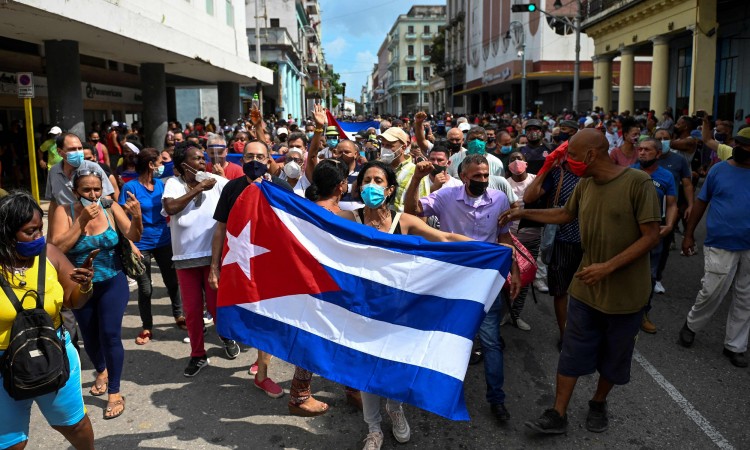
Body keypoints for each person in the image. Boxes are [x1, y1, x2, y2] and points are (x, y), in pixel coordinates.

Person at [501, 129, 660, 435]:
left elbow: (651, 235)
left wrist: (608, 267)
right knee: (573, 351)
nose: (569, 161)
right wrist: (522, 212)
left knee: (615, 357)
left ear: (590, 155)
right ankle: (558, 413)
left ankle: (598, 402)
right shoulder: (586, 184)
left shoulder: (637, 183)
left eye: (572, 156)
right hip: (586, 289)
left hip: (626, 295)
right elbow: (564, 214)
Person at [338, 160, 476, 450]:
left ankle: (395, 409)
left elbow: (446, 238)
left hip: (401, 309)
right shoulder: (350, 218)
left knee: (395, 364)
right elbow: (314, 226)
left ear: (389, 189)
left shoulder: (405, 221)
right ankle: (373, 429)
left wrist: (489, 249)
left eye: (378, 181)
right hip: (364, 307)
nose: (371, 186)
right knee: (367, 370)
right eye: (366, 180)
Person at [404, 154, 520, 425]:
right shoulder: (446, 196)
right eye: (476, 176)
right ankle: (433, 391)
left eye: (485, 175)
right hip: (451, 279)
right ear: (463, 176)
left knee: (491, 341)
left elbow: (504, 237)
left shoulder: (499, 199)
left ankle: (497, 399)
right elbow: (413, 211)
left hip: (486, 280)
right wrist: (418, 179)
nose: (481, 180)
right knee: (441, 336)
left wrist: (513, 269)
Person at [0, 191, 96, 448]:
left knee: (75, 425)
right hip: (3, 365)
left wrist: (85, 284)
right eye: (29, 231)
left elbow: (73, 299)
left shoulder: (50, 254)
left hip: (53, 355)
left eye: (39, 229)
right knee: (10, 443)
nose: (38, 237)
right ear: (6, 233)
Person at [48, 169, 143, 420]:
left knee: (110, 334)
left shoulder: (110, 207)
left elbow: (133, 235)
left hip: (113, 280)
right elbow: (56, 248)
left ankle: (114, 392)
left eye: (97, 189)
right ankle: (101, 369)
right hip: (79, 285)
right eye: (87, 190)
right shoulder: (63, 210)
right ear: (75, 191)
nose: (93, 195)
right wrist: (80, 222)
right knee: (89, 336)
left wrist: (138, 217)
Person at [210, 140, 292, 398]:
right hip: (239, 263)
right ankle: (257, 353)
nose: (254, 160)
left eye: (260, 156)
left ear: (269, 160)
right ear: (241, 159)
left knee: (266, 316)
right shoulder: (231, 188)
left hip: (271, 264)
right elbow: (220, 228)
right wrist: (214, 267)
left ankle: (262, 373)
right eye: (249, 156)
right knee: (244, 313)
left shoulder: (279, 187)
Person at [161, 145, 240, 377]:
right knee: (193, 311)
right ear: (183, 164)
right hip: (185, 260)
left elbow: (240, 192)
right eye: (195, 159)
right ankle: (197, 355)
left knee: (217, 308)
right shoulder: (173, 184)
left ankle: (225, 337)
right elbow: (171, 207)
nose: (201, 162)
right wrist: (197, 189)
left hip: (212, 258)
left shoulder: (217, 181)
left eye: (202, 158)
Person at [678, 129, 750, 368]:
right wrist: (688, 234)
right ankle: (692, 325)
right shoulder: (719, 170)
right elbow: (701, 203)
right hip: (721, 242)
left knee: (746, 298)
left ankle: (735, 346)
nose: (743, 148)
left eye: (748, 146)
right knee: (712, 290)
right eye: (740, 144)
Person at [120, 148, 184, 345]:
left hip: (164, 241)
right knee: (145, 288)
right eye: (159, 162)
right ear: (150, 164)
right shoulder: (130, 188)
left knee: (172, 282)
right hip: (141, 244)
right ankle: (147, 326)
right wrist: (130, 244)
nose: (161, 166)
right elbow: (122, 218)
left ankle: (179, 315)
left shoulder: (161, 185)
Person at [632, 138, 678, 333]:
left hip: (654, 234)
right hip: (629, 232)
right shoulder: (629, 172)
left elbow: (672, 204)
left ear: (658, 154)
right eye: (640, 149)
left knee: (649, 276)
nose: (642, 153)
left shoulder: (666, 176)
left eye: (647, 150)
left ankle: (643, 313)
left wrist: (669, 225)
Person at [653, 128, 693, 294]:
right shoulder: (645, 159)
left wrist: (691, 204)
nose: (663, 141)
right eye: (659, 138)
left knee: (663, 247)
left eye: (666, 138)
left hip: (669, 211)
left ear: (672, 139)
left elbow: (688, 183)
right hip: (646, 210)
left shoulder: (679, 160)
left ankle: (657, 278)